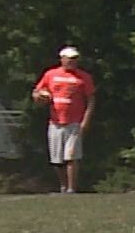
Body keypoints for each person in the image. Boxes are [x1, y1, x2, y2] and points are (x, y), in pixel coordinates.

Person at [31, 45, 95, 193]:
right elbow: (37, 91)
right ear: (62, 59)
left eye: (75, 59)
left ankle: (72, 188)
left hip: (74, 122)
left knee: (71, 156)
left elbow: (91, 99)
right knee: (57, 159)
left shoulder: (83, 77)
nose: (72, 62)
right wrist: (38, 97)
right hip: (55, 121)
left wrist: (86, 120)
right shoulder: (51, 74)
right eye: (70, 59)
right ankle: (63, 186)